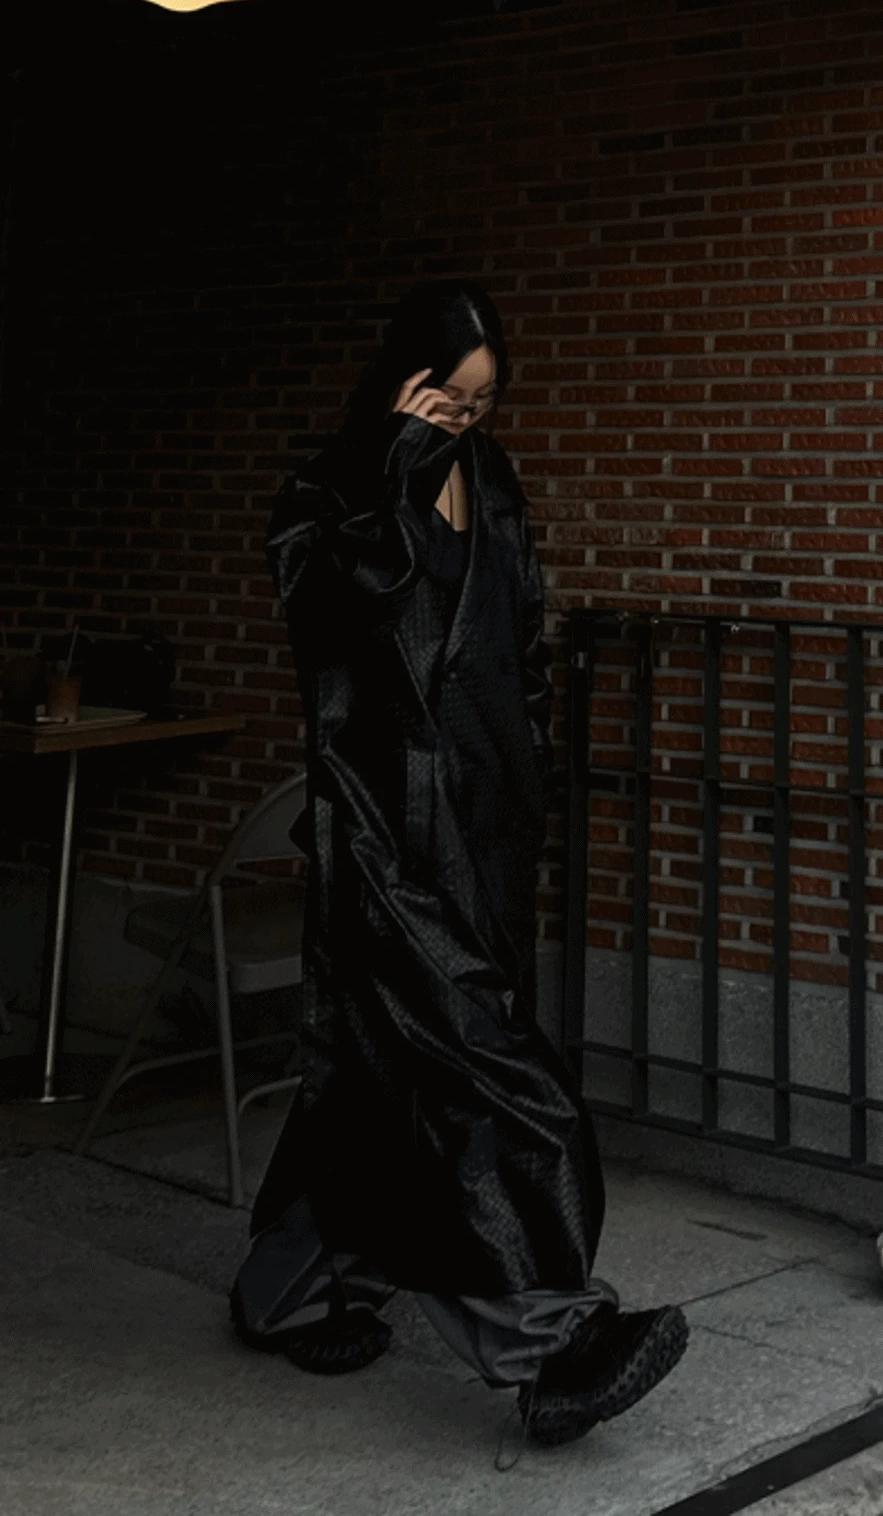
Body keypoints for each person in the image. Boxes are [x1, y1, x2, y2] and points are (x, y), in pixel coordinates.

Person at [229, 281, 687, 1450]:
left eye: (482, 404)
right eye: (446, 397)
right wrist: (395, 461)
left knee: (378, 1076)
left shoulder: (493, 480)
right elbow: (333, 617)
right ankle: (550, 1345)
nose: (465, 420)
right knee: (483, 1076)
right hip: (384, 840)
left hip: (484, 834)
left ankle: (283, 1290)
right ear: (401, 381)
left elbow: (516, 639)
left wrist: (528, 775)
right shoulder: (328, 493)